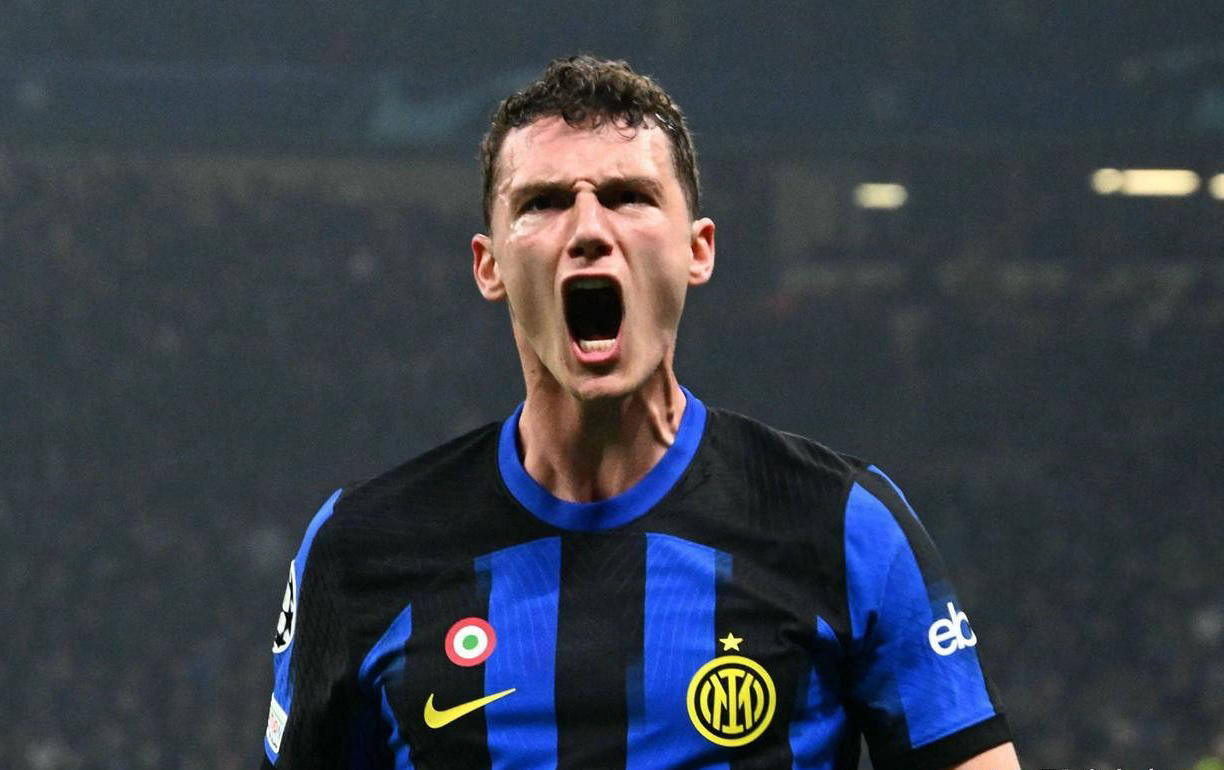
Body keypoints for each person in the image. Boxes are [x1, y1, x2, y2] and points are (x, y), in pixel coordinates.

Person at [260, 55, 1020, 770]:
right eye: (544, 202)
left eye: (629, 196)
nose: (590, 230)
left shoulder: (841, 525)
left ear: (698, 250)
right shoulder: (359, 551)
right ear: (489, 265)